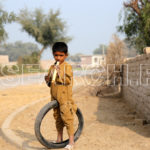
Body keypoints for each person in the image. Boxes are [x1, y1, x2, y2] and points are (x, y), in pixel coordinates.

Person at [45, 42, 77, 150]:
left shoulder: (67, 67)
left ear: (66, 55)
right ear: (53, 55)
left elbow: (68, 80)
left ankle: (71, 142)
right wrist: (47, 79)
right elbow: (50, 84)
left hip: (65, 97)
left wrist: (60, 73)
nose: (58, 58)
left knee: (67, 118)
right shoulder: (52, 67)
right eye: (56, 55)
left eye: (61, 55)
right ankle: (59, 139)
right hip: (54, 96)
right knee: (57, 118)